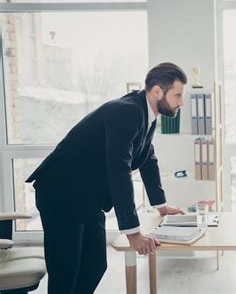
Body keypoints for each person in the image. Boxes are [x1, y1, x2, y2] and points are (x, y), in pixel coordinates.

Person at [26, 62, 187, 293]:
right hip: (61, 194)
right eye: (178, 95)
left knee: (95, 266)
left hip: (86, 196)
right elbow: (119, 170)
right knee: (66, 272)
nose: (181, 102)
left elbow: (147, 158)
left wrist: (161, 206)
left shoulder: (146, 113)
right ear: (157, 92)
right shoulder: (127, 111)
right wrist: (133, 233)